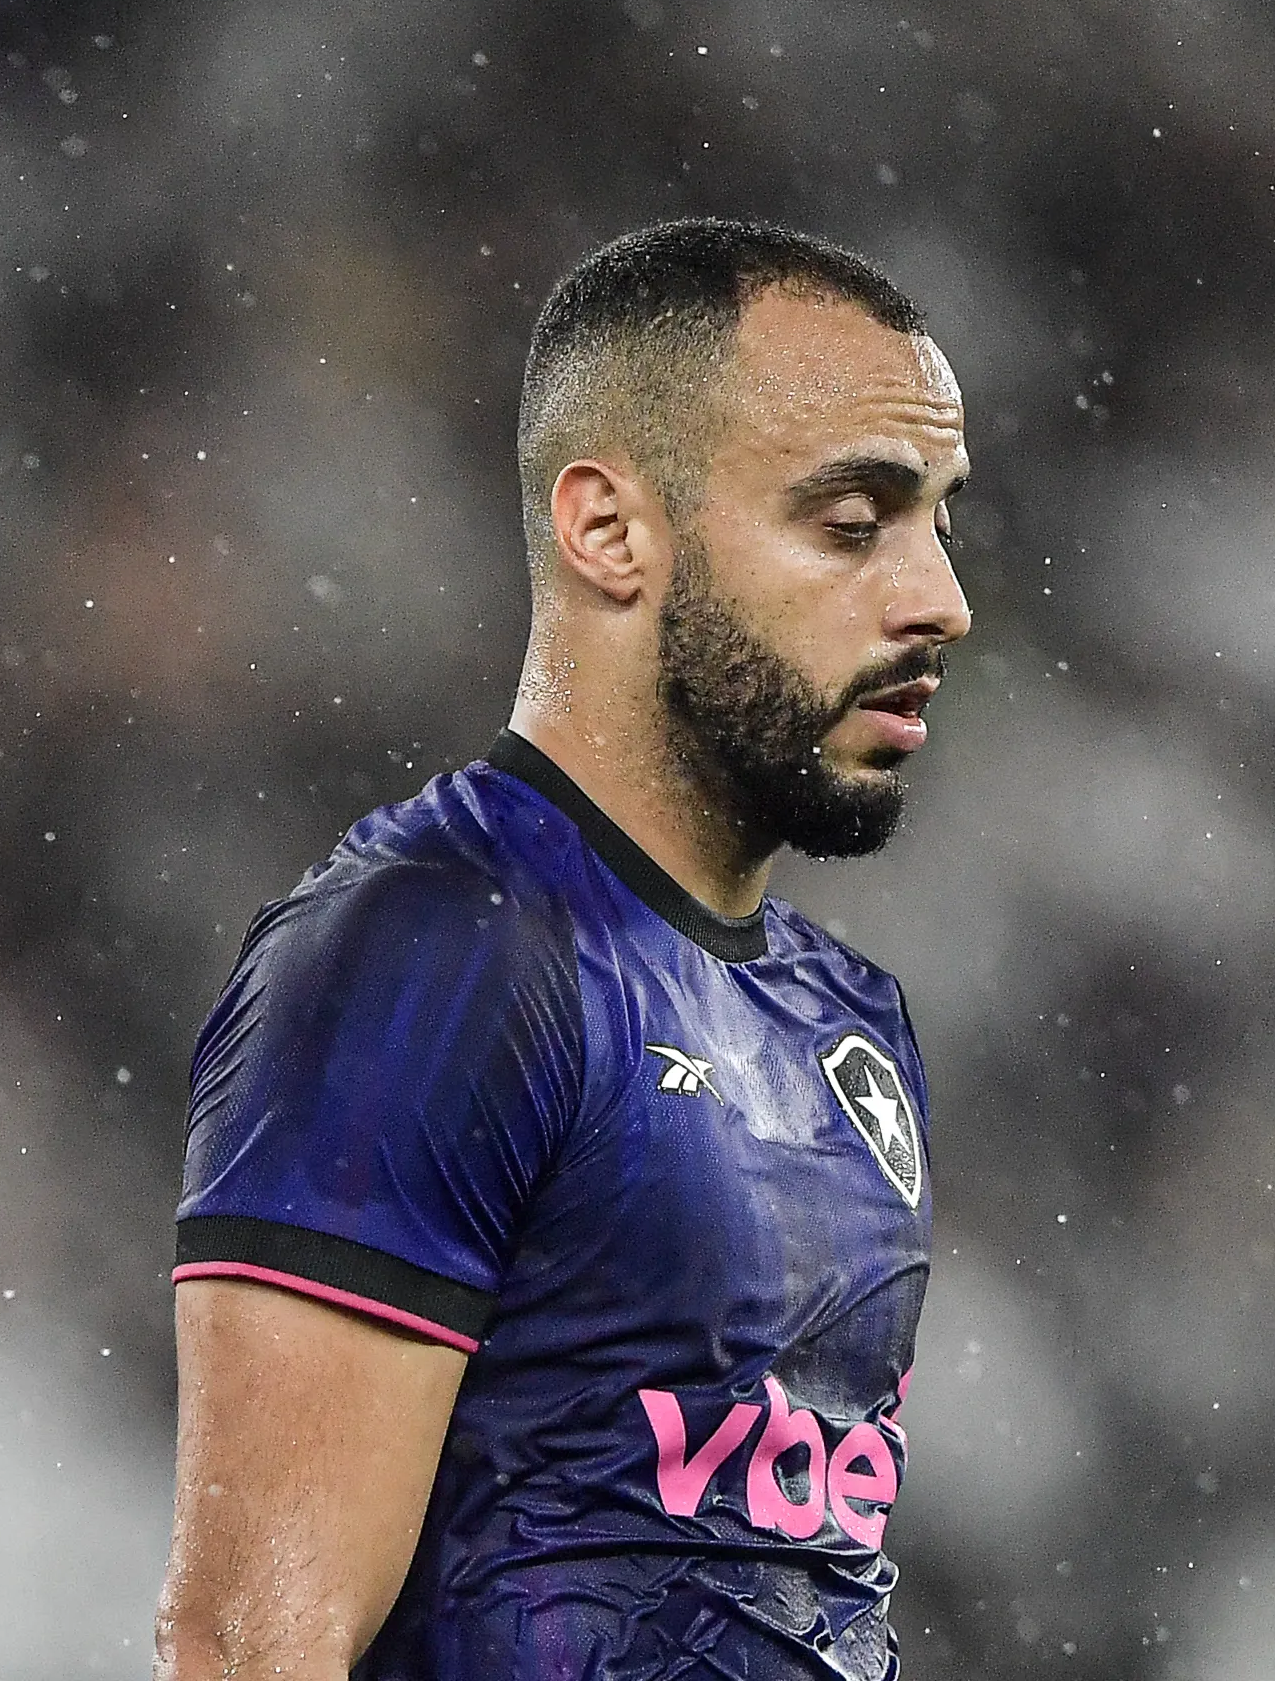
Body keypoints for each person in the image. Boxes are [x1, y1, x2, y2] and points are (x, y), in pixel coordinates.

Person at [153, 219, 972, 1681]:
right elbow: (248, 1641)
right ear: (609, 531)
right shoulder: (439, 951)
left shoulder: (848, 1023)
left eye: (940, 522)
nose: (939, 600)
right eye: (856, 524)